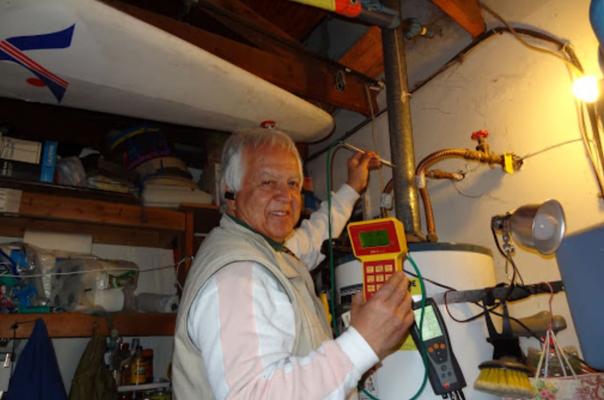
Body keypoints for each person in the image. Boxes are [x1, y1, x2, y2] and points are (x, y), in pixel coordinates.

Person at [173, 128, 414, 400]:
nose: (285, 196)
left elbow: (314, 237)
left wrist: (352, 188)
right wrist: (362, 342)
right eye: (267, 182)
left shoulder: (266, 249)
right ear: (231, 194)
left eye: (292, 184)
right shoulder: (237, 276)